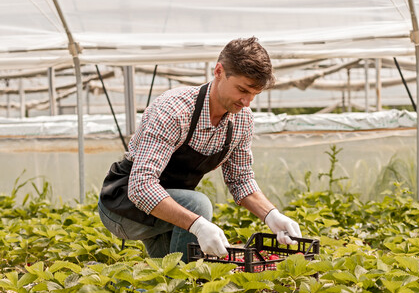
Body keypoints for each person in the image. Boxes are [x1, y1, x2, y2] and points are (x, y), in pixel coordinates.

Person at [98, 36, 301, 259]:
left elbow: (241, 179)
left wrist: (271, 215)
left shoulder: (242, 121)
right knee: (198, 204)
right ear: (219, 72)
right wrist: (197, 224)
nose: (247, 102)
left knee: (166, 279)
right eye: (242, 90)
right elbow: (141, 186)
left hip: (166, 209)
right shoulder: (174, 110)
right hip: (122, 206)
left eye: (254, 94)